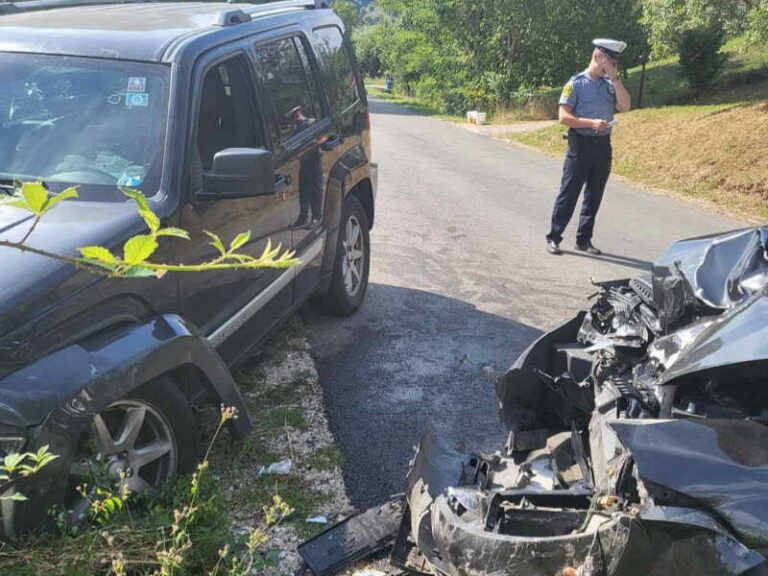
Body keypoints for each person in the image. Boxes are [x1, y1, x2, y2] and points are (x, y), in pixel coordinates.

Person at [546, 39, 631, 256]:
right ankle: (554, 237)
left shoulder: (611, 84)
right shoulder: (576, 83)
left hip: (602, 145)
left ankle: (584, 239)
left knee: (594, 194)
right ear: (597, 57)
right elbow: (563, 117)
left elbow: (626, 106)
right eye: (610, 62)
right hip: (580, 144)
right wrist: (591, 123)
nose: (613, 67)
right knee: (569, 192)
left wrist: (615, 77)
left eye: (615, 64)